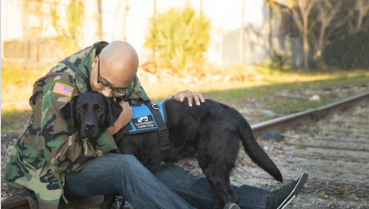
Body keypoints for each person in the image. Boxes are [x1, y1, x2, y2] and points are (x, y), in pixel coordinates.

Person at [4, 40, 308, 209]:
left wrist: (173, 102)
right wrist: (110, 130)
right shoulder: (63, 85)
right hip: (48, 174)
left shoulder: (119, 74)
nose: (110, 94)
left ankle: (261, 201)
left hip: (94, 158)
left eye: (117, 90)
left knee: (161, 170)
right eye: (104, 85)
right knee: (127, 168)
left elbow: (142, 114)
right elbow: (61, 157)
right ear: (95, 64)